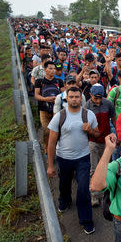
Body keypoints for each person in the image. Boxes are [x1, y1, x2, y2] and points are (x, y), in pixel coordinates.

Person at [46, 87, 100, 234]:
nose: (74, 99)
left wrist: (90, 130)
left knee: (83, 190)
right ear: (67, 99)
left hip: (83, 158)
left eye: (77, 97)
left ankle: (86, 220)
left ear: (81, 98)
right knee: (64, 184)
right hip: (63, 158)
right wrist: (50, 165)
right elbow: (51, 142)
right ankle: (65, 200)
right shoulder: (59, 116)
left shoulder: (88, 115)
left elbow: (97, 134)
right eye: (71, 97)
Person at [84, 84, 116, 206]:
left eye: (100, 98)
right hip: (93, 141)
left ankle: (107, 193)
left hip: (106, 140)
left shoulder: (108, 104)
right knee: (94, 168)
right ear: (90, 95)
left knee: (108, 168)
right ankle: (94, 195)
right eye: (95, 98)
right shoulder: (86, 106)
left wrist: (115, 133)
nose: (97, 101)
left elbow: (113, 119)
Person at [34, 61, 64, 148]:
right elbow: (36, 95)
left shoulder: (59, 81)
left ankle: (57, 149)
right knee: (46, 131)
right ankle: (47, 149)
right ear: (45, 70)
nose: (53, 70)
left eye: (54, 68)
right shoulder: (39, 81)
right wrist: (45, 99)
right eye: (50, 68)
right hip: (44, 110)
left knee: (58, 131)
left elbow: (64, 94)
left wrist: (58, 99)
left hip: (57, 110)